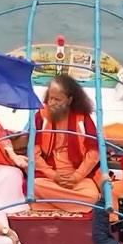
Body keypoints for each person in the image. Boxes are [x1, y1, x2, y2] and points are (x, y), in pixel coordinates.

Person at [33, 75, 100, 208]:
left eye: (57, 99)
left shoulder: (82, 118)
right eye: (50, 98)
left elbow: (94, 153)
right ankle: (72, 204)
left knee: (91, 195)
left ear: (69, 100)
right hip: (49, 177)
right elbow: (33, 152)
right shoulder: (41, 115)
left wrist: (76, 176)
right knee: (35, 186)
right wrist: (53, 175)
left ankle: (50, 203)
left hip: (77, 177)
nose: (51, 103)